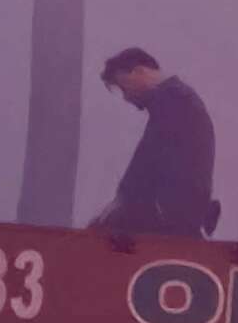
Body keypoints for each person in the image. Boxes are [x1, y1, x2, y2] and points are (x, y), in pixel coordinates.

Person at [91, 48, 219, 238]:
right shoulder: (180, 98)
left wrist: (122, 199)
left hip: (171, 211)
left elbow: (149, 155)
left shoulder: (173, 99)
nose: (126, 97)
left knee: (98, 235)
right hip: (183, 207)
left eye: (124, 87)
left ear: (138, 72)